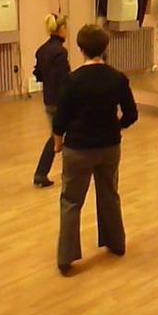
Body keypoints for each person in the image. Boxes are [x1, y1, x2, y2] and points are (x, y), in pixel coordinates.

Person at [54, 25, 138, 275]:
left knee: (71, 201)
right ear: (105, 47)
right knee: (109, 194)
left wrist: (57, 143)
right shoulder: (117, 78)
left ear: (80, 49)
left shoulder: (72, 80)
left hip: (78, 148)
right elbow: (131, 114)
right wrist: (117, 126)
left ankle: (66, 257)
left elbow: (60, 119)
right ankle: (116, 242)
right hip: (110, 146)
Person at [32, 14, 71, 188]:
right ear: (61, 29)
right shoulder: (61, 52)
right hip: (61, 101)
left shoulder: (41, 50)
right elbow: (64, 79)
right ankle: (50, 173)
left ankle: (42, 173)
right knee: (62, 137)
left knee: (55, 135)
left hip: (48, 99)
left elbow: (38, 74)